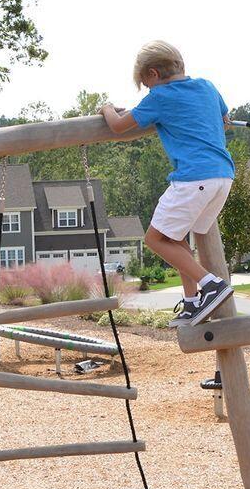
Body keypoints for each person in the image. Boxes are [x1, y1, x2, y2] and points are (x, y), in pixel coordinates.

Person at [101, 40, 236, 326]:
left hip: (193, 178)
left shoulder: (159, 97)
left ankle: (212, 285)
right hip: (223, 176)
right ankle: (191, 301)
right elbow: (225, 119)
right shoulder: (207, 87)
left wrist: (106, 108)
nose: (148, 92)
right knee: (174, 239)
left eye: (146, 85)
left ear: (152, 74)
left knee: (154, 239)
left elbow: (117, 126)